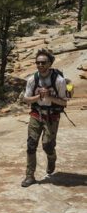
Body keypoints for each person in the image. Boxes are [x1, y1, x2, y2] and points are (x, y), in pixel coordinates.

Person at [21, 49, 67, 187]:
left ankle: (51, 158)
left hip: (52, 116)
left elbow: (64, 102)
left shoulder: (59, 80)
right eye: (38, 62)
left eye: (43, 62)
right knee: (31, 145)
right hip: (36, 114)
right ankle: (30, 176)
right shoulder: (32, 79)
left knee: (47, 145)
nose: (40, 65)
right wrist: (39, 97)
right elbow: (26, 99)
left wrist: (48, 96)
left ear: (50, 63)